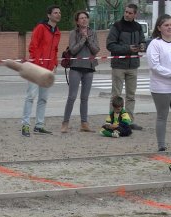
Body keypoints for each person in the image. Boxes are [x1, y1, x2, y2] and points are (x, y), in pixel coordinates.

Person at [21, 5, 61, 137]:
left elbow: (55, 50)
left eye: (59, 13)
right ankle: (25, 125)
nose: (58, 15)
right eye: (55, 13)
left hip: (48, 70)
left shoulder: (57, 32)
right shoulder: (40, 28)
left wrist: (54, 64)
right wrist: (39, 63)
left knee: (43, 98)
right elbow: (33, 46)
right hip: (36, 68)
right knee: (31, 96)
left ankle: (39, 125)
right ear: (49, 15)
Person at [106, 3, 146, 131]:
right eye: (126, 12)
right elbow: (110, 45)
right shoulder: (117, 26)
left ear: (135, 14)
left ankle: (128, 121)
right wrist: (127, 49)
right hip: (119, 65)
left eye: (130, 13)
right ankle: (113, 121)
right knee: (116, 95)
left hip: (133, 65)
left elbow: (143, 40)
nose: (127, 14)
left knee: (131, 95)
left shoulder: (138, 27)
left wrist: (142, 46)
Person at [61, 10, 100, 133]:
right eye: (81, 18)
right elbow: (73, 50)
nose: (84, 20)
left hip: (89, 67)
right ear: (77, 21)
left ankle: (84, 123)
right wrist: (83, 39)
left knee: (85, 97)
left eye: (85, 18)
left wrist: (88, 39)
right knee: (72, 96)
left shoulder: (93, 33)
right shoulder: (73, 33)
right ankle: (65, 122)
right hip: (76, 67)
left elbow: (96, 50)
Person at [146, 14, 171, 151]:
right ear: (159, 28)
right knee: (162, 116)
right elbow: (154, 66)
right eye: (166, 25)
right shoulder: (155, 44)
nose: (169, 27)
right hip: (161, 87)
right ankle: (161, 145)